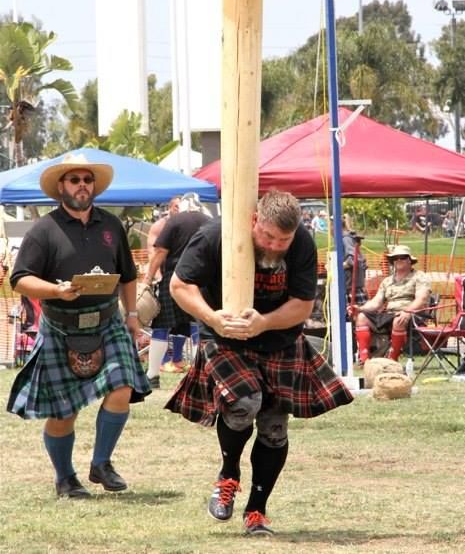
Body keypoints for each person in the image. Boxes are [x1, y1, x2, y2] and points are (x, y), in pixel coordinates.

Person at [165, 190, 353, 536]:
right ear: (254, 220)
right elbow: (179, 285)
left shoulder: (302, 245)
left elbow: (302, 304)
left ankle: (256, 511)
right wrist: (214, 318)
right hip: (226, 337)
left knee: (274, 428)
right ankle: (228, 474)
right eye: (268, 235)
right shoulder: (215, 236)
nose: (275, 244)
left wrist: (264, 322)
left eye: (284, 239)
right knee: (243, 404)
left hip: (278, 340)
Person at [6, 153, 151, 499]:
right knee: (63, 411)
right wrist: (56, 290)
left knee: (123, 388)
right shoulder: (44, 231)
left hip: (106, 321)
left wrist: (131, 316)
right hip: (60, 327)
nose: (82, 186)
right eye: (75, 180)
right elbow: (20, 279)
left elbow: (128, 276)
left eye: (87, 180)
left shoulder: (111, 226)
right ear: (61, 187)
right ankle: (65, 478)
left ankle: (101, 463)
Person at [142, 192, 211, 387]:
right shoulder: (210, 221)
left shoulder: (174, 221)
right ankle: (202, 375)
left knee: (161, 326)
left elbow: (160, 252)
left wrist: (148, 278)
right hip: (202, 279)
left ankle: (153, 376)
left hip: (174, 278)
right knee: (199, 325)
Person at [349, 244, 431, 366]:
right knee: (361, 317)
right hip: (389, 314)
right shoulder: (387, 281)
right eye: (395, 258)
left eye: (402, 257)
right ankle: (365, 360)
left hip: (413, 314)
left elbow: (421, 300)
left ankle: (392, 360)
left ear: (409, 260)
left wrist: (407, 311)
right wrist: (360, 308)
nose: (398, 260)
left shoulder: (420, 277)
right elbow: (376, 303)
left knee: (398, 319)